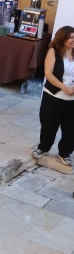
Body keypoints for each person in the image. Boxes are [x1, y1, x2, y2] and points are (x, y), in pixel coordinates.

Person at [33, 26, 74, 165]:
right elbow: (48, 74)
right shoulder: (54, 52)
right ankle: (43, 148)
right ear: (62, 38)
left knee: (71, 128)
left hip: (72, 99)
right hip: (54, 95)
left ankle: (65, 153)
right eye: (71, 38)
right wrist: (64, 87)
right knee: (49, 124)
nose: (73, 40)